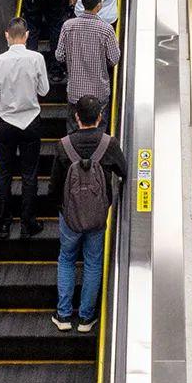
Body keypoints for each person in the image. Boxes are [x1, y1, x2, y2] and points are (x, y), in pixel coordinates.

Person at [50, 94, 127, 333]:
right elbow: (124, 171)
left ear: (76, 117)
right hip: (97, 216)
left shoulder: (63, 145)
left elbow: (54, 186)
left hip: (70, 217)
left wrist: (62, 210)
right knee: (93, 263)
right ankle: (86, 318)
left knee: (66, 259)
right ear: (100, 117)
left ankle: (63, 315)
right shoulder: (109, 144)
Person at [0, 16, 49, 240]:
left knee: (4, 173)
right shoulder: (37, 58)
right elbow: (44, 91)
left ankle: (3, 224)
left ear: (7, 35)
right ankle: (27, 223)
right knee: (29, 174)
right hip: (30, 122)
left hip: (5, 123)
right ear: (27, 35)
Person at [55, 0, 120, 131]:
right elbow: (114, 59)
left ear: (82, 2)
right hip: (99, 93)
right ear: (99, 5)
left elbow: (59, 55)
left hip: (75, 92)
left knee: (74, 133)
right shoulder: (106, 30)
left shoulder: (68, 26)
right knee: (98, 135)